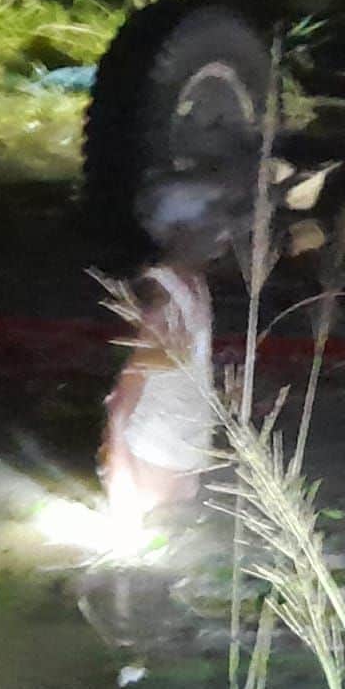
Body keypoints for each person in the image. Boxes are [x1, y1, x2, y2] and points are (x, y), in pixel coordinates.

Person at [100, 179, 229, 523]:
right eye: (209, 226)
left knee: (174, 518)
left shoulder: (193, 284)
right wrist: (118, 432)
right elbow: (138, 364)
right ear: (180, 231)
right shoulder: (163, 289)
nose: (221, 235)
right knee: (154, 516)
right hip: (159, 432)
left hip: (185, 427)